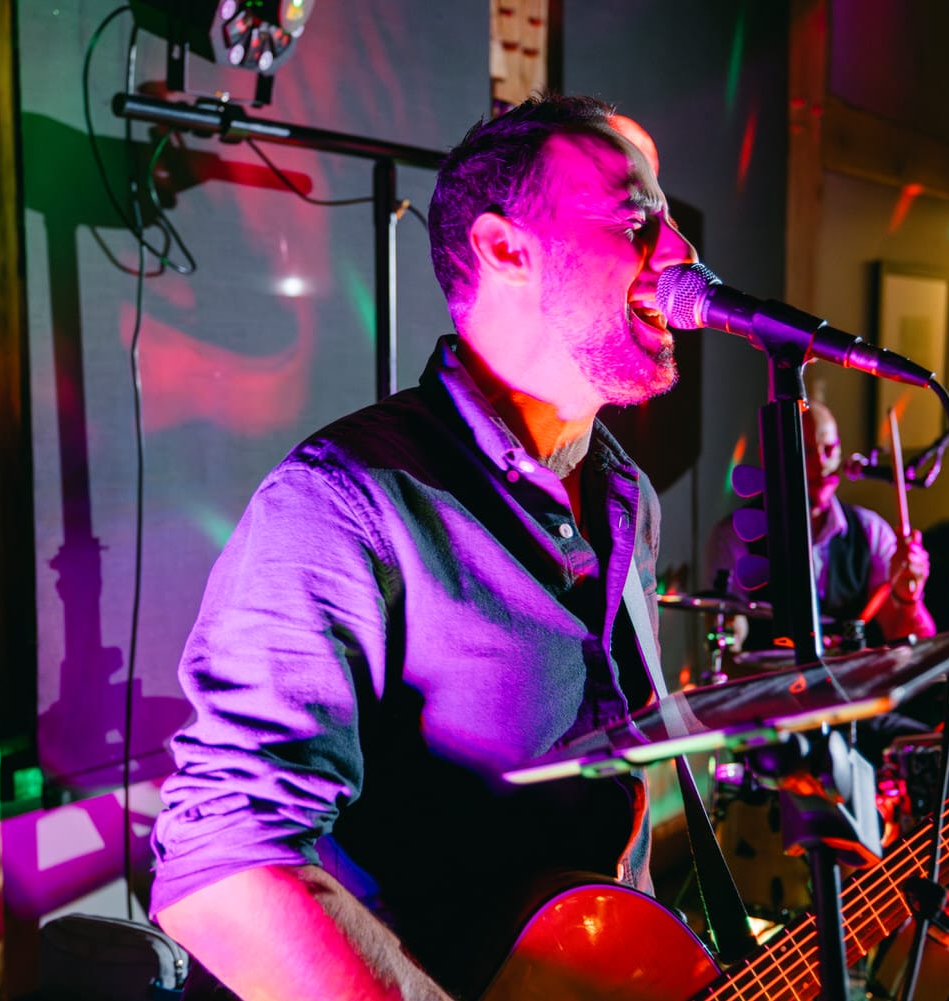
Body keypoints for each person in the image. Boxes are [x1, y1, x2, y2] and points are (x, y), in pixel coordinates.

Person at [147, 94, 699, 1000]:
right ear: (505, 248)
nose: (679, 253)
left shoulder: (627, 495)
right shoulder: (341, 501)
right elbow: (224, 870)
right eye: (638, 219)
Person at [705, 396, 936, 653]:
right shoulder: (735, 536)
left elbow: (918, 643)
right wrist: (729, 632)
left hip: (852, 690)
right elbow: (729, 644)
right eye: (806, 451)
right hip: (773, 688)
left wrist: (908, 597)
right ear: (769, 456)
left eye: (830, 449)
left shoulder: (872, 531)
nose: (821, 462)